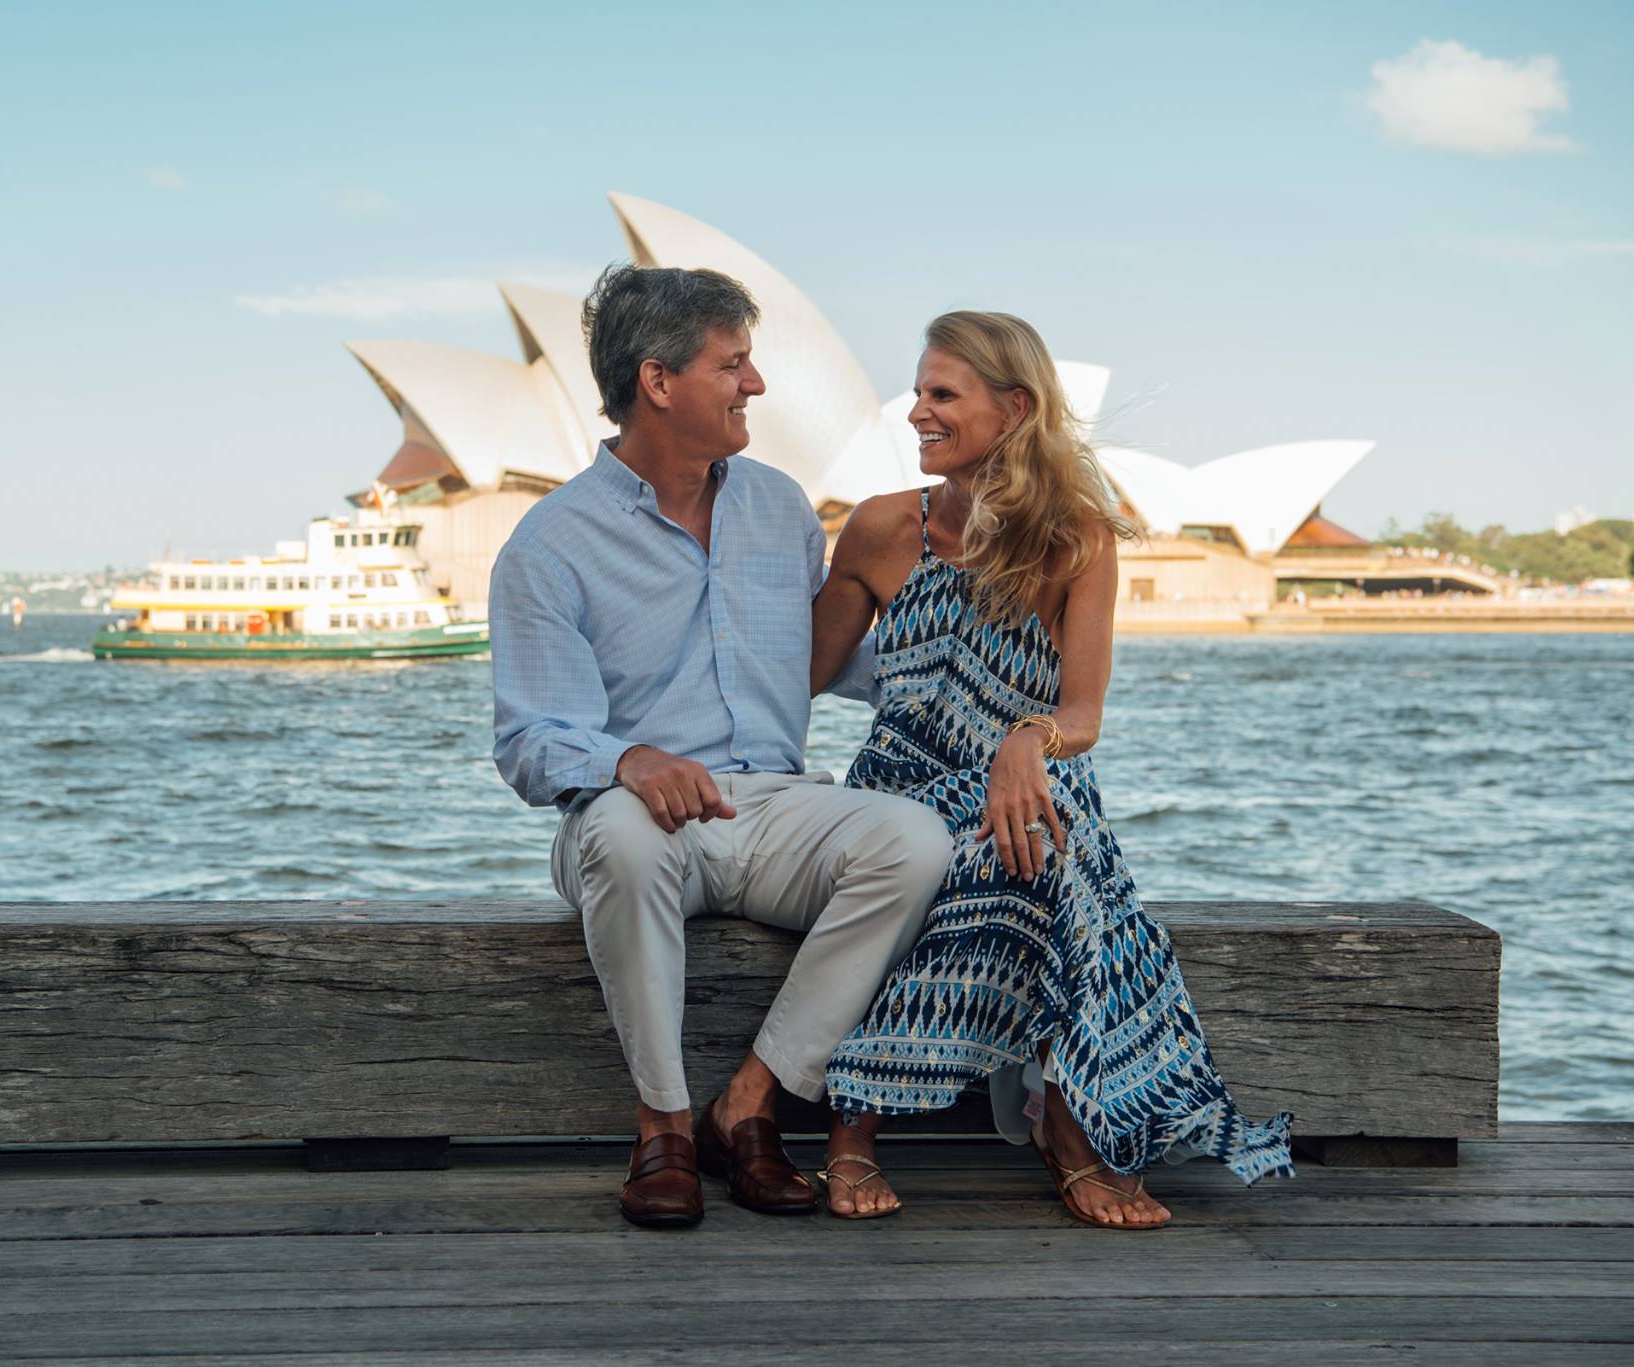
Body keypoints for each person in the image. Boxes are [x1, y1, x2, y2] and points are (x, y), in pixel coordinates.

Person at [490, 264, 955, 1229]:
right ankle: (661, 1122)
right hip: (641, 823)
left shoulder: (780, 508)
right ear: (659, 382)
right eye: (733, 364)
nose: (757, 385)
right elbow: (530, 741)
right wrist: (628, 760)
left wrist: (992, 669)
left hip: (777, 804)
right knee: (620, 831)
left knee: (914, 842)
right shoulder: (548, 545)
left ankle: (747, 1104)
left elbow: (842, 661)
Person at [811, 310, 1294, 1226]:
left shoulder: (1077, 538)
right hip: (899, 792)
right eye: (918, 390)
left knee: (1036, 831)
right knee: (1035, 846)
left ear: (1014, 409)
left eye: (941, 393)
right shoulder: (878, 530)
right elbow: (793, 675)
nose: (916, 410)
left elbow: (1083, 714)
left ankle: (862, 1123)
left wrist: (1025, 741)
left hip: (1030, 782)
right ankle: (1068, 1132)